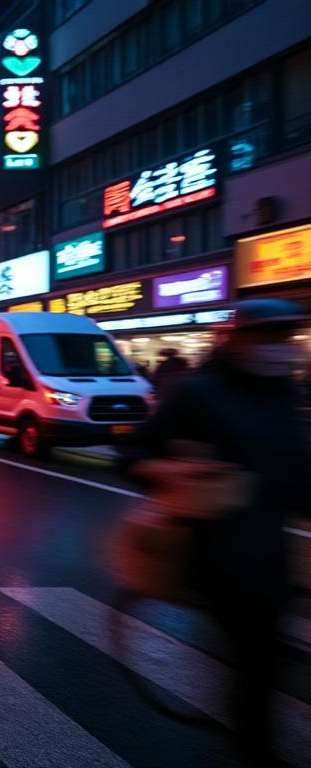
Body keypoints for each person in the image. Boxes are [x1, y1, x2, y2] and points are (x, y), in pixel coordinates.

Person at [131, 300, 309, 766]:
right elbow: (133, 455)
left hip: (270, 551)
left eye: (285, 336)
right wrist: (176, 470)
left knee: (265, 658)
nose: (278, 346)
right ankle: (253, 749)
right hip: (214, 553)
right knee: (258, 659)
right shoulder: (199, 393)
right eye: (266, 336)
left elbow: (295, 474)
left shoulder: (285, 394)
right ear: (238, 340)